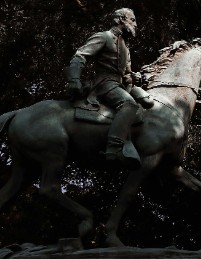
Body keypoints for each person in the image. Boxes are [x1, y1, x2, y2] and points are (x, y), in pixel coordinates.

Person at [65, 8, 153, 167]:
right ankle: (114, 148)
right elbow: (80, 56)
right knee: (129, 105)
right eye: (132, 20)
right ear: (121, 19)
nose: (136, 24)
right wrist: (74, 79)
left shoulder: (125, 47)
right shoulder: (104, 36)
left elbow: (126, 74)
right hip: (104, 83)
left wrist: (134, 76)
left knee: (148, 102)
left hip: (119, 85)